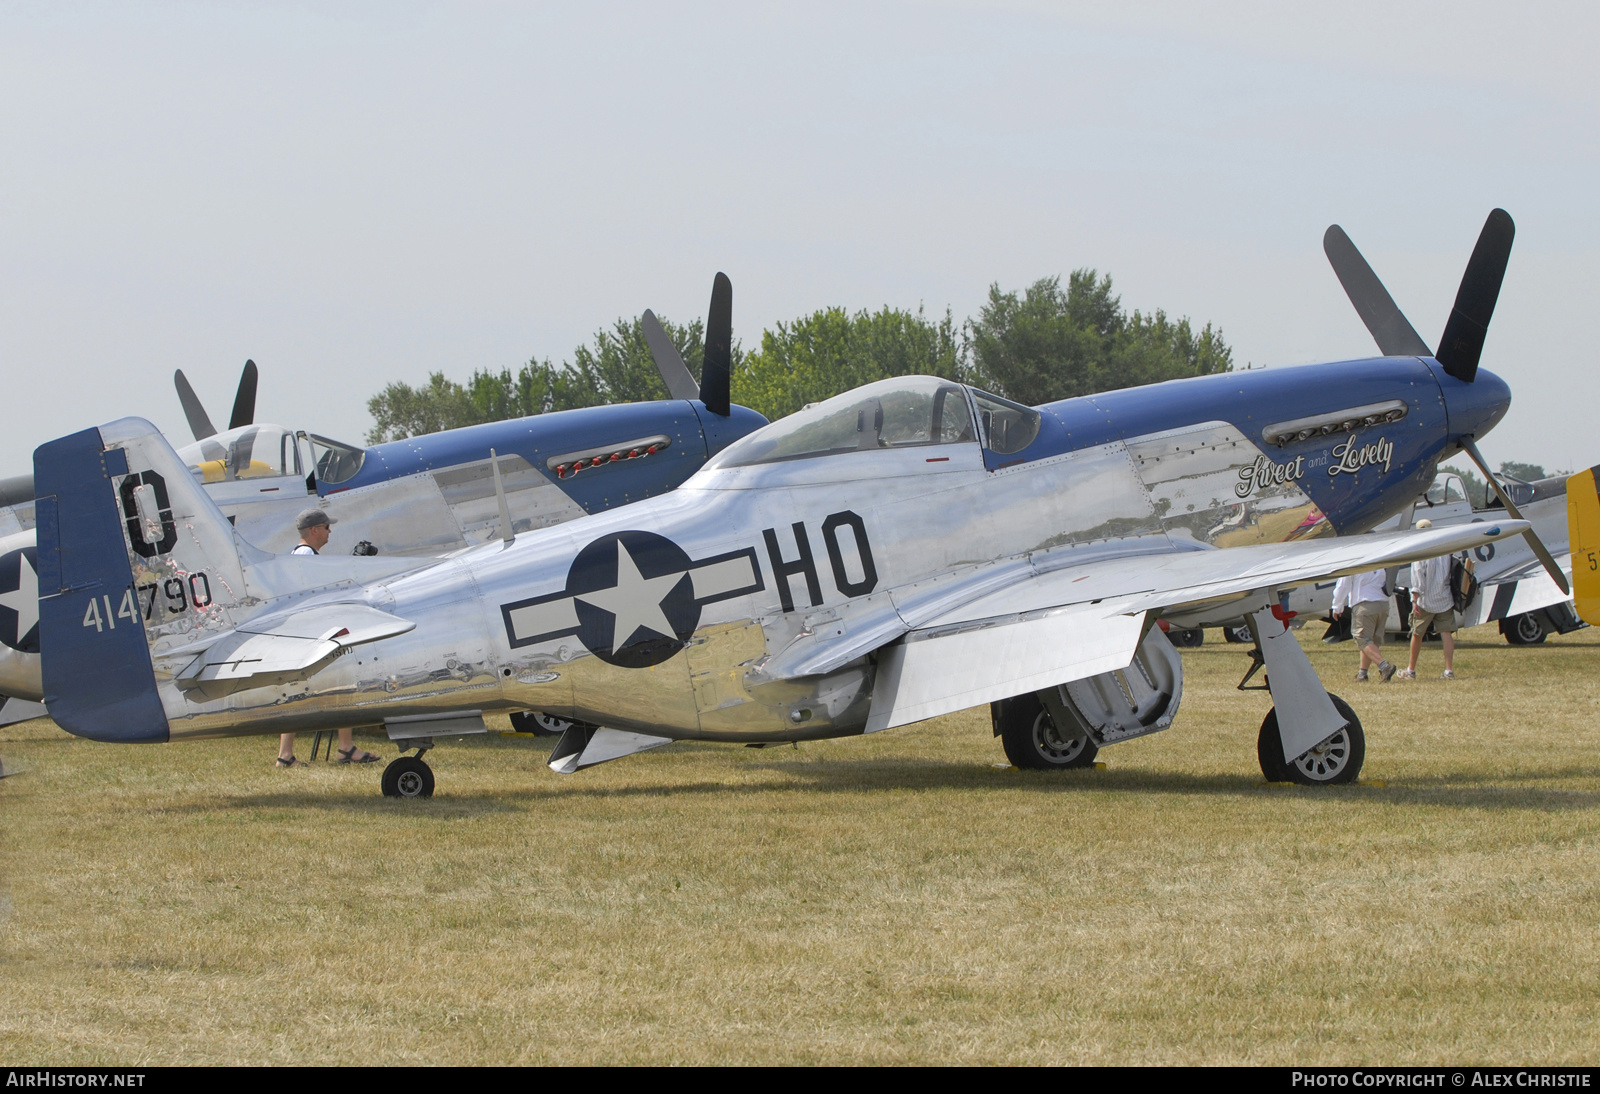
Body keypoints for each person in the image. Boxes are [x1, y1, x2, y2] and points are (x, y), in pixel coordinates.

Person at [276, 509, 382, 768]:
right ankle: (341, 748)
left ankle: (290, 755)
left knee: (306, 692)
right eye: (325, 527)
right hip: (310, 636)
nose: (329, 531)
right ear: (314, 530)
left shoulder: (303, 555)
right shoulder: (305, 556)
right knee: (341, 685)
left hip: (305, 635)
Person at [1398, 518, 1461, 680]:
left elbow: (1418, 577)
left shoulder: (1421, 550)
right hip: (1444, 597)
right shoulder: (1444, 549)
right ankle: (1449, 670)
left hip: (1425, 600)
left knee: (1417, 634)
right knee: (1446, 633)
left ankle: (1411, 670)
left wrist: (1414, 600)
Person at [1331, 568, 1397, 682]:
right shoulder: (1380, 557)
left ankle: (1384, 666)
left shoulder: (1356, 561)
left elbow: (1343, 584)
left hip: (1364, 603)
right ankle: (1362, 674)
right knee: (1371, 641)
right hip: (1383, 604)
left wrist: (1337, 606)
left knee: (1362, 639)